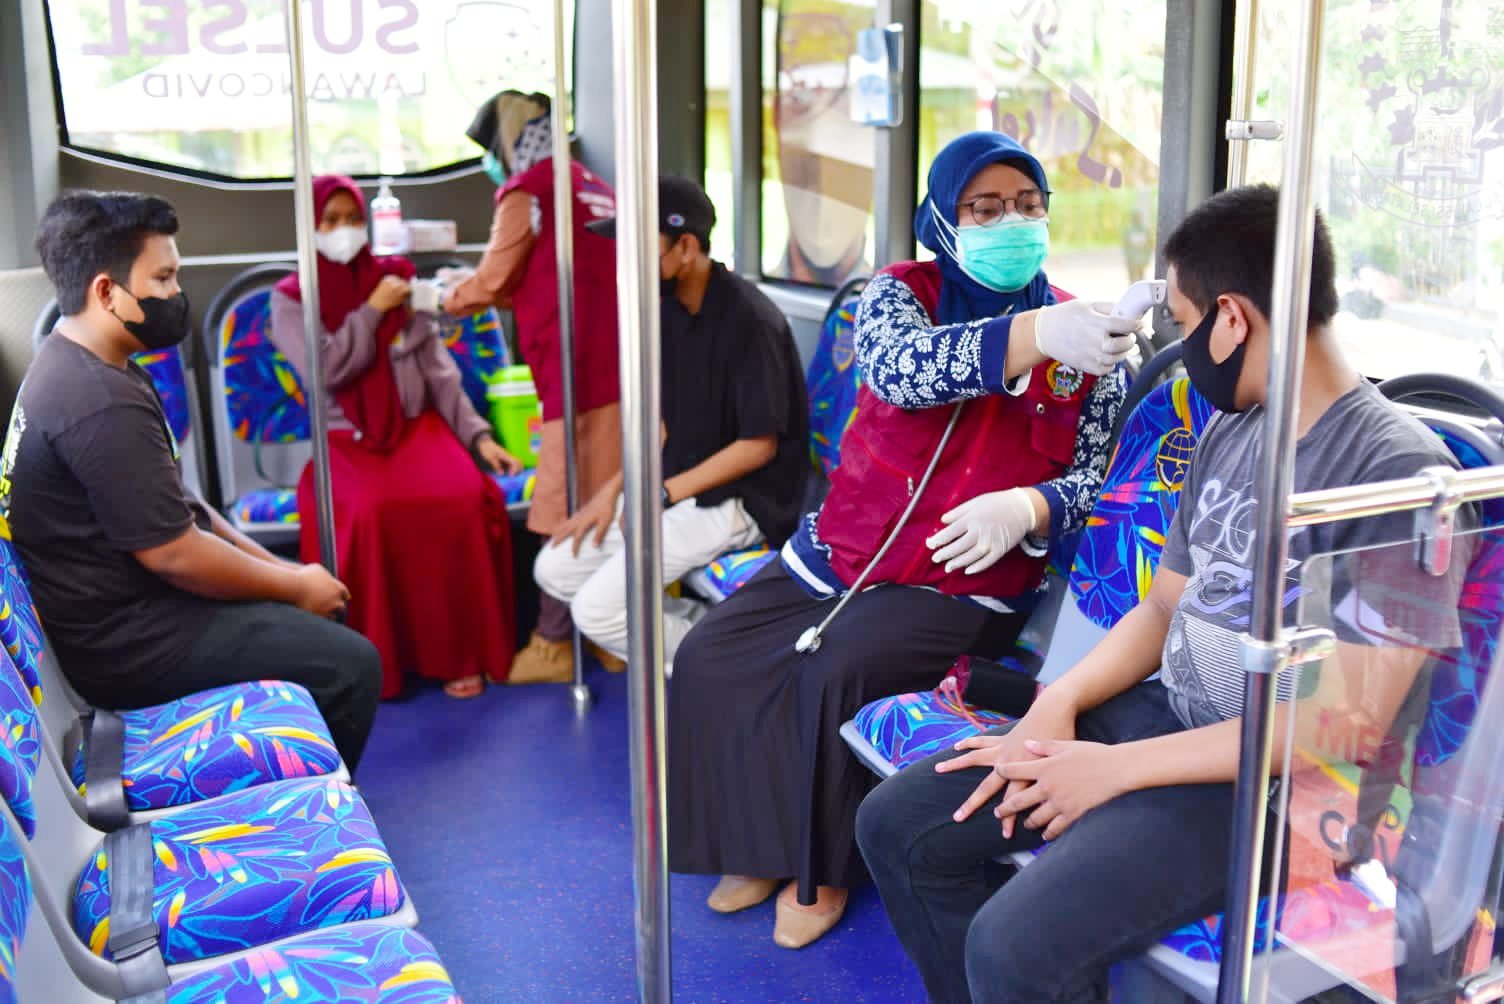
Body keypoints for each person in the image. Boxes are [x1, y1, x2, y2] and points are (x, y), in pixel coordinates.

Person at [855, 184, 1470, 1003]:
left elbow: (1339, 725)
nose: (1181, 344)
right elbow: (1162, 606)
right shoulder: (1233, 424)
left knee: (1013, 945)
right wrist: (1056, 703)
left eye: (1182, 322)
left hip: (1271, 785)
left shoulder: (1392, 472)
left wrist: (1111, 773)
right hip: (1163, 716)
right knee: (898, 826)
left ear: (1232, 318)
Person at [667, 131, 1139, 950]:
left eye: (1027, 206)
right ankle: (750, 846)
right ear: (943, 218)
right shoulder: (900, 293)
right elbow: (901, 371)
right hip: (846, 549)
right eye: (984, 208)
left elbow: (1098, 482)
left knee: (832, 670)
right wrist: (1029, 338)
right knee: (711, 655)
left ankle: (817, 872)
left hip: (962, 578)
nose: (1010, 222)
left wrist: (1029, 506)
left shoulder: (1089, 341)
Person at [5, 190, 380, 770]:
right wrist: (295, 590)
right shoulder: (96, 401)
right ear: (106, 291)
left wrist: (287, 571)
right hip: (124, 645)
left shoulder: (90, 365)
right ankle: (306, 808)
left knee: (321, 619)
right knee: (349, 666)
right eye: (164, 279)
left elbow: (186, 508)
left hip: (138, 610)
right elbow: (175, 555)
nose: (177, 295)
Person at [534, 176, 808, 668]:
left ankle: (730, 670)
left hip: (744, 500)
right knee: (556, 568)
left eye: (642, 248)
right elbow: (664, 427)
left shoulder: (750, 320)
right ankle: (718, 638)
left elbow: (757, 446)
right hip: (680, 485)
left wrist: (659, 496)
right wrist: (611, 494)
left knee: (597, 612)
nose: (628, 263)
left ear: (686, 246)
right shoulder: (668, 310)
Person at [270, 175, 519, 700]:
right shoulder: (293, 299)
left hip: (416, 426)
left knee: (465, 498)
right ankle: (382, 662)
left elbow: (438, 370)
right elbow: (326, 371)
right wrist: (372, 312)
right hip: (346, 436)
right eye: (330, 221)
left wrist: (477, 437)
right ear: (309, 228)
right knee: (371, 511)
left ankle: (460, 652)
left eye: (353, 219)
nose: (344, 231)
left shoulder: (397, 281)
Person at [445, 89, 625, 684]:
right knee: (612, 493)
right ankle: (610, 632)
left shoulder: (528, 191)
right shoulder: (590, 181)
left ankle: (552, 642)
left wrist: (445, 296)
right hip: (620, 360)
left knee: (560, 501)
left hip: (572, 366)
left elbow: (496, 276)